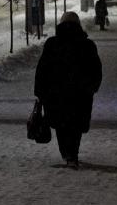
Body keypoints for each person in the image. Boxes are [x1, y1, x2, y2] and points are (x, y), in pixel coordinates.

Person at [34, 12, 102, 169]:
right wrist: (92, 87)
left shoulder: (52, 44)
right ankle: (72, 154)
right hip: (80, 94)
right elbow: (95, 69)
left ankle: (66, 153)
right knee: (76, 125)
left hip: (55, 94)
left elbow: (42, 69)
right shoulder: (87, 45)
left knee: (60, 124)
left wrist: (40, 91)